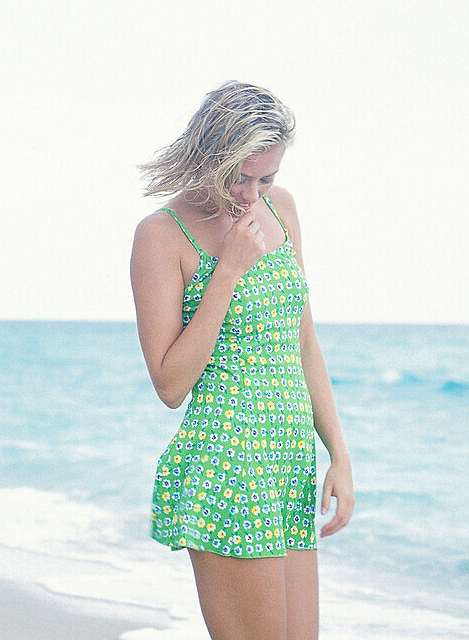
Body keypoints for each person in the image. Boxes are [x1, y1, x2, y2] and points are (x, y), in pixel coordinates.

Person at [130, 80, 354, 640]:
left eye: (267, 177)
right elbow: (170, 384)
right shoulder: (162, 236)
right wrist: (227, 270)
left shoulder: (281, 209)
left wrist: (340, 455)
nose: (253, 194)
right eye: (239, 176)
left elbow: (303, 338)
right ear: (208, 156)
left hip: (289, 464)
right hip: (228, 467)